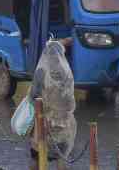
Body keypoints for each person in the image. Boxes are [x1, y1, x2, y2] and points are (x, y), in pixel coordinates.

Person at [28, 39, 77, 170]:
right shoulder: (67, 73)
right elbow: (70, 100)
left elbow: (33, 96)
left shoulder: (41, 72)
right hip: (64, 126)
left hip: (43, 124)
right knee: (61, 157)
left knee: (36, 157)